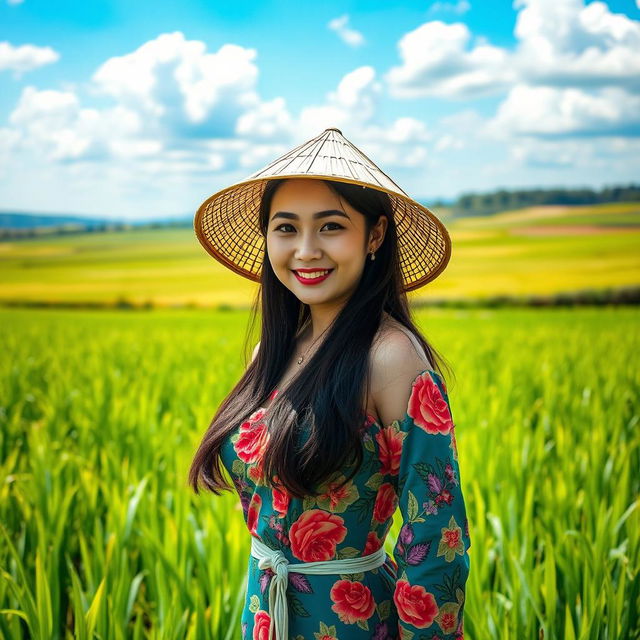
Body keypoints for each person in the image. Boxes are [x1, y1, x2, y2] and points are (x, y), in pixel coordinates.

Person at [189, 128, 471, 640]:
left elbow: (435, 539)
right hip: (265, 614)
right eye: (285, 228)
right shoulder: (269, 354)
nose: (305, 250)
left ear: (376, 236)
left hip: (350, 622)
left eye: (331, 226)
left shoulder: (392, 358)